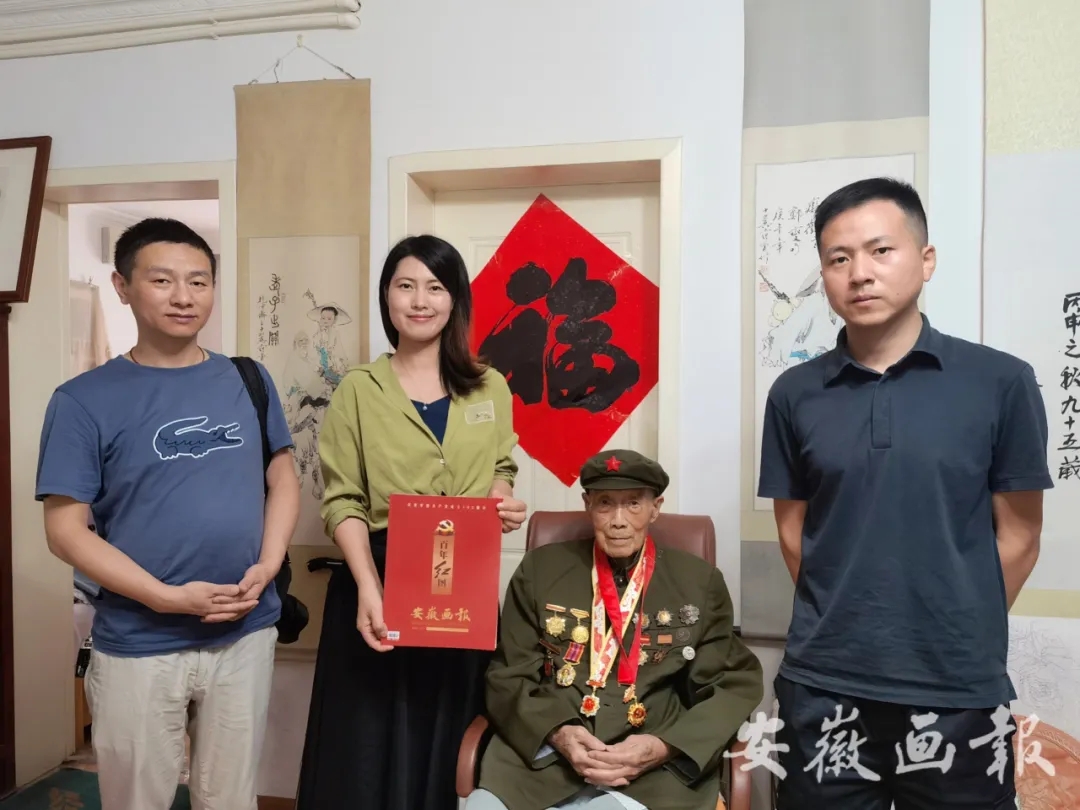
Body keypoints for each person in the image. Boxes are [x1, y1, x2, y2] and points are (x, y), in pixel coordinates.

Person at [758, 177, 1053, 809]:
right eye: (838, 259)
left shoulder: (1000, 382)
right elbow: (793, 531)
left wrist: (955, 620)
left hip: (958, 691)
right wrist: (852, 618)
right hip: (824, 686)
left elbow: (1021, 536)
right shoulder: (794, 394)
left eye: (880, 251)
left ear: (926, 260)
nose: (859, 273)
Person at [36, 217, 300, 810]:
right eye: (162, 280)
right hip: (138, 640)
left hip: (244, 632)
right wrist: (164, 597)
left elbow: (282, 477)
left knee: (229, 798)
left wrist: (269, 563)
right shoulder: (82, 400)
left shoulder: (248, 379)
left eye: (198, 281)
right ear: (123, 287)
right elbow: (64, 532)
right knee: (139, 800)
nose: (184, 296)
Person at [295, 234, 528, 810]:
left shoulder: (489, 386)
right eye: (405, 286)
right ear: (387, 297)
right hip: (376, 577)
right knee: (367, 744)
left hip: (460, 585)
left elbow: (502, 465)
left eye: (435, 287)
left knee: (451, 735)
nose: (420, 300)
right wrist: (369, 589)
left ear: (455, 300)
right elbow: (343, 500)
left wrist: (500, 499)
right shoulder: (358, 389)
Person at [468, 449, 764, 810]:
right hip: (541, 764)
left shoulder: (698, 582)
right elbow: (507, 676)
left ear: (655, 508)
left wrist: (663, 746)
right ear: (588, 505)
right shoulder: (539, 570)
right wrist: (557, 732)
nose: (619, 521)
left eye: (634, 504)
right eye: (605, 503)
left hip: (652, 773)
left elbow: (731, 684)